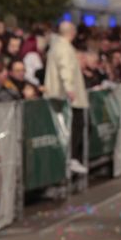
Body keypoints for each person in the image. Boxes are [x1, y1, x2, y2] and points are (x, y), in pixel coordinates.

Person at [44, 21, 89, 174]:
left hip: (62, 95)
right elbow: (65, 68)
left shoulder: (58, 46)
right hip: (66, 97)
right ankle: (72, 158)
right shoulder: (63, 47)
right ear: (72, 32)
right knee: (75, 126)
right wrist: (70, 89)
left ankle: (71, 158)